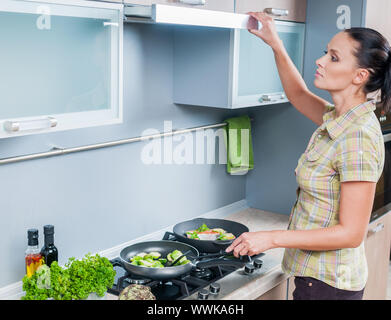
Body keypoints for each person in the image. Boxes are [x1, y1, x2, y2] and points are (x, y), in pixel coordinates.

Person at [225, 12, 390, 300]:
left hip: (328, 285)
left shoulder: (358, 136)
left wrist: (271, 238)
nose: (321, 61)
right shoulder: (338, 119)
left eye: (334, 58)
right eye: (325, 53)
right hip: (316, 279)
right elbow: (298, 95)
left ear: (359, 75)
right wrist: (275, 43)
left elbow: (351, 233)